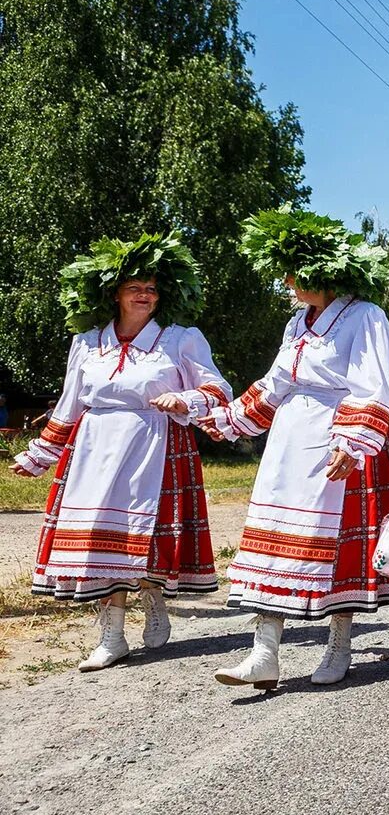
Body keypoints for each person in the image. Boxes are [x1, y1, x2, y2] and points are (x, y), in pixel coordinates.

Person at [202, 207, 389, 690]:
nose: (287, 280)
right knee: (274, 541)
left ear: (324, 270)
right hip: (290, 443)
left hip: (338, 440)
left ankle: (339, 645)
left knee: (338, 545)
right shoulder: (298, 322)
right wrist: (222, 420)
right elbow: (275, 383)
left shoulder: (365, 315)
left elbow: (372, 384)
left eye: (294, 270)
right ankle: (264, 653)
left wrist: (353, 440)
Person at [12, 234, 229, 671]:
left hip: (155, 443)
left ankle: (152, 594)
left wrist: (185, 400)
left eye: (151, 288)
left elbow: (217, 388)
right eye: (135, 288)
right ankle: (112, 637)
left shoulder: (180, 339)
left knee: (144, 531)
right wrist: (38, 455)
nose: (145, 295)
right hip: (94, 447)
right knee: (98, 539)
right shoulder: (88, 341)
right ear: (115, 294)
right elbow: (70, 402)